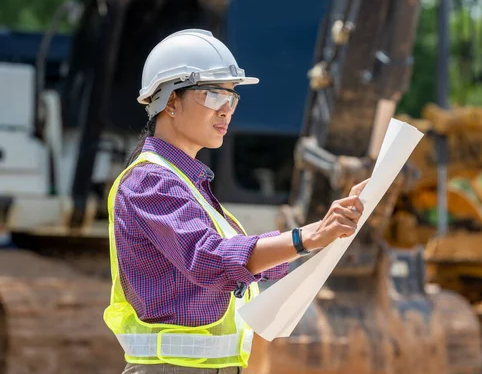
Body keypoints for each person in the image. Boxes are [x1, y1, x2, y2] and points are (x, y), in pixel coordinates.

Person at [103, 29, 368, 374]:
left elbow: (241, 261)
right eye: (213, 95)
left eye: (232, 98)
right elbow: (209, 259)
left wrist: (312, 245)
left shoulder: (188, 184)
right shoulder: (151, 181)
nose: (227, 110)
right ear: (169, 101)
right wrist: (307, 237)